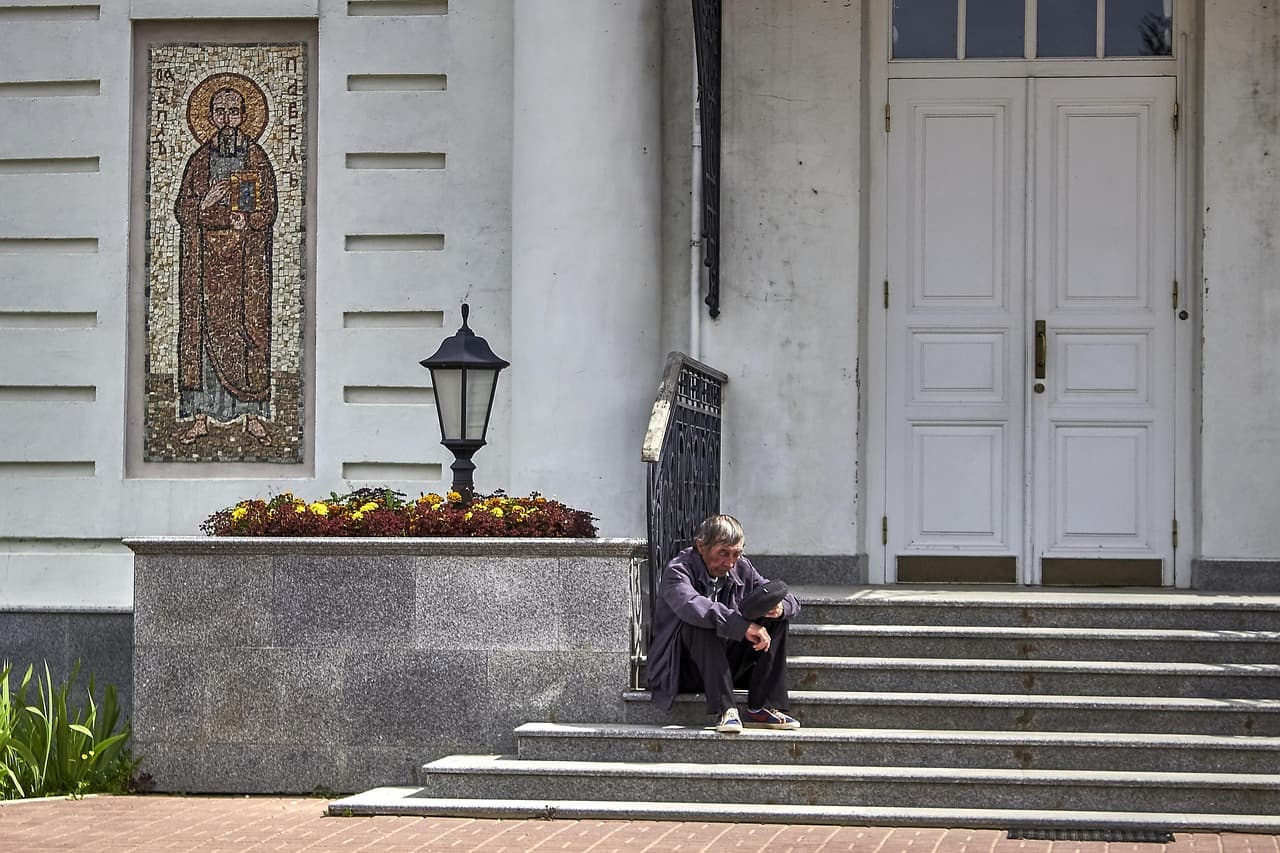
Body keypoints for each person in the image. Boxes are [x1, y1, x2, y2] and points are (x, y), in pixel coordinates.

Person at [174, 81, 278, 446]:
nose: (227, 119)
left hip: (245, 267)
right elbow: (182, 209)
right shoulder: (200, 160)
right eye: (220, 112)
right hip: (206, 268)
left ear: (245, 116)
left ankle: (252, 415)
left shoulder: (256, 159)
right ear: (211, 116)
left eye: (234, 112)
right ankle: (200, 416)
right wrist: (205, 203)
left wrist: (247, 220)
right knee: (202, 335)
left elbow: (268, 210)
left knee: (249, 334)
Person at [648, 514, 801, 733]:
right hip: (682, 669)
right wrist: (742, 625)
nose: (730, 562)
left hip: (724, 665)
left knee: (774, 618)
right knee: (702, 622)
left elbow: (781, 596)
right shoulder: (678, 570)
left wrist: (780, 608)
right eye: (723, 553)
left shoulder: (742, 567)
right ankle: (725, 710)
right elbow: (693, 606)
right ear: (701, 546)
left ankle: (761, 707)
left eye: (736, 554)